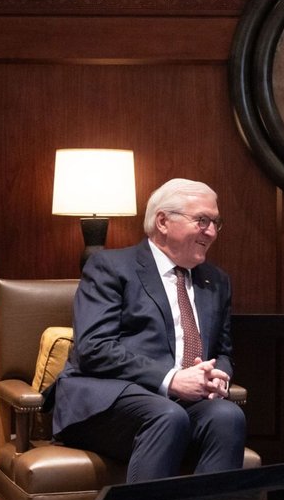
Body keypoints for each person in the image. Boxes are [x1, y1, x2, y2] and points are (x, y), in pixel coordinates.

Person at [51, 178, 246, 482]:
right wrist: (172, 379)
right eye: (202, 220)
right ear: (163, 221)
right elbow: (94, 348)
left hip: (182, 404)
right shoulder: (110, 267)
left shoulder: (215, 281)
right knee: (166, 416)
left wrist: (217, 375)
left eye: (215, 223)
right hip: (109, 399)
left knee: (227, 416)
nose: (211, 232)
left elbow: (223, 351)